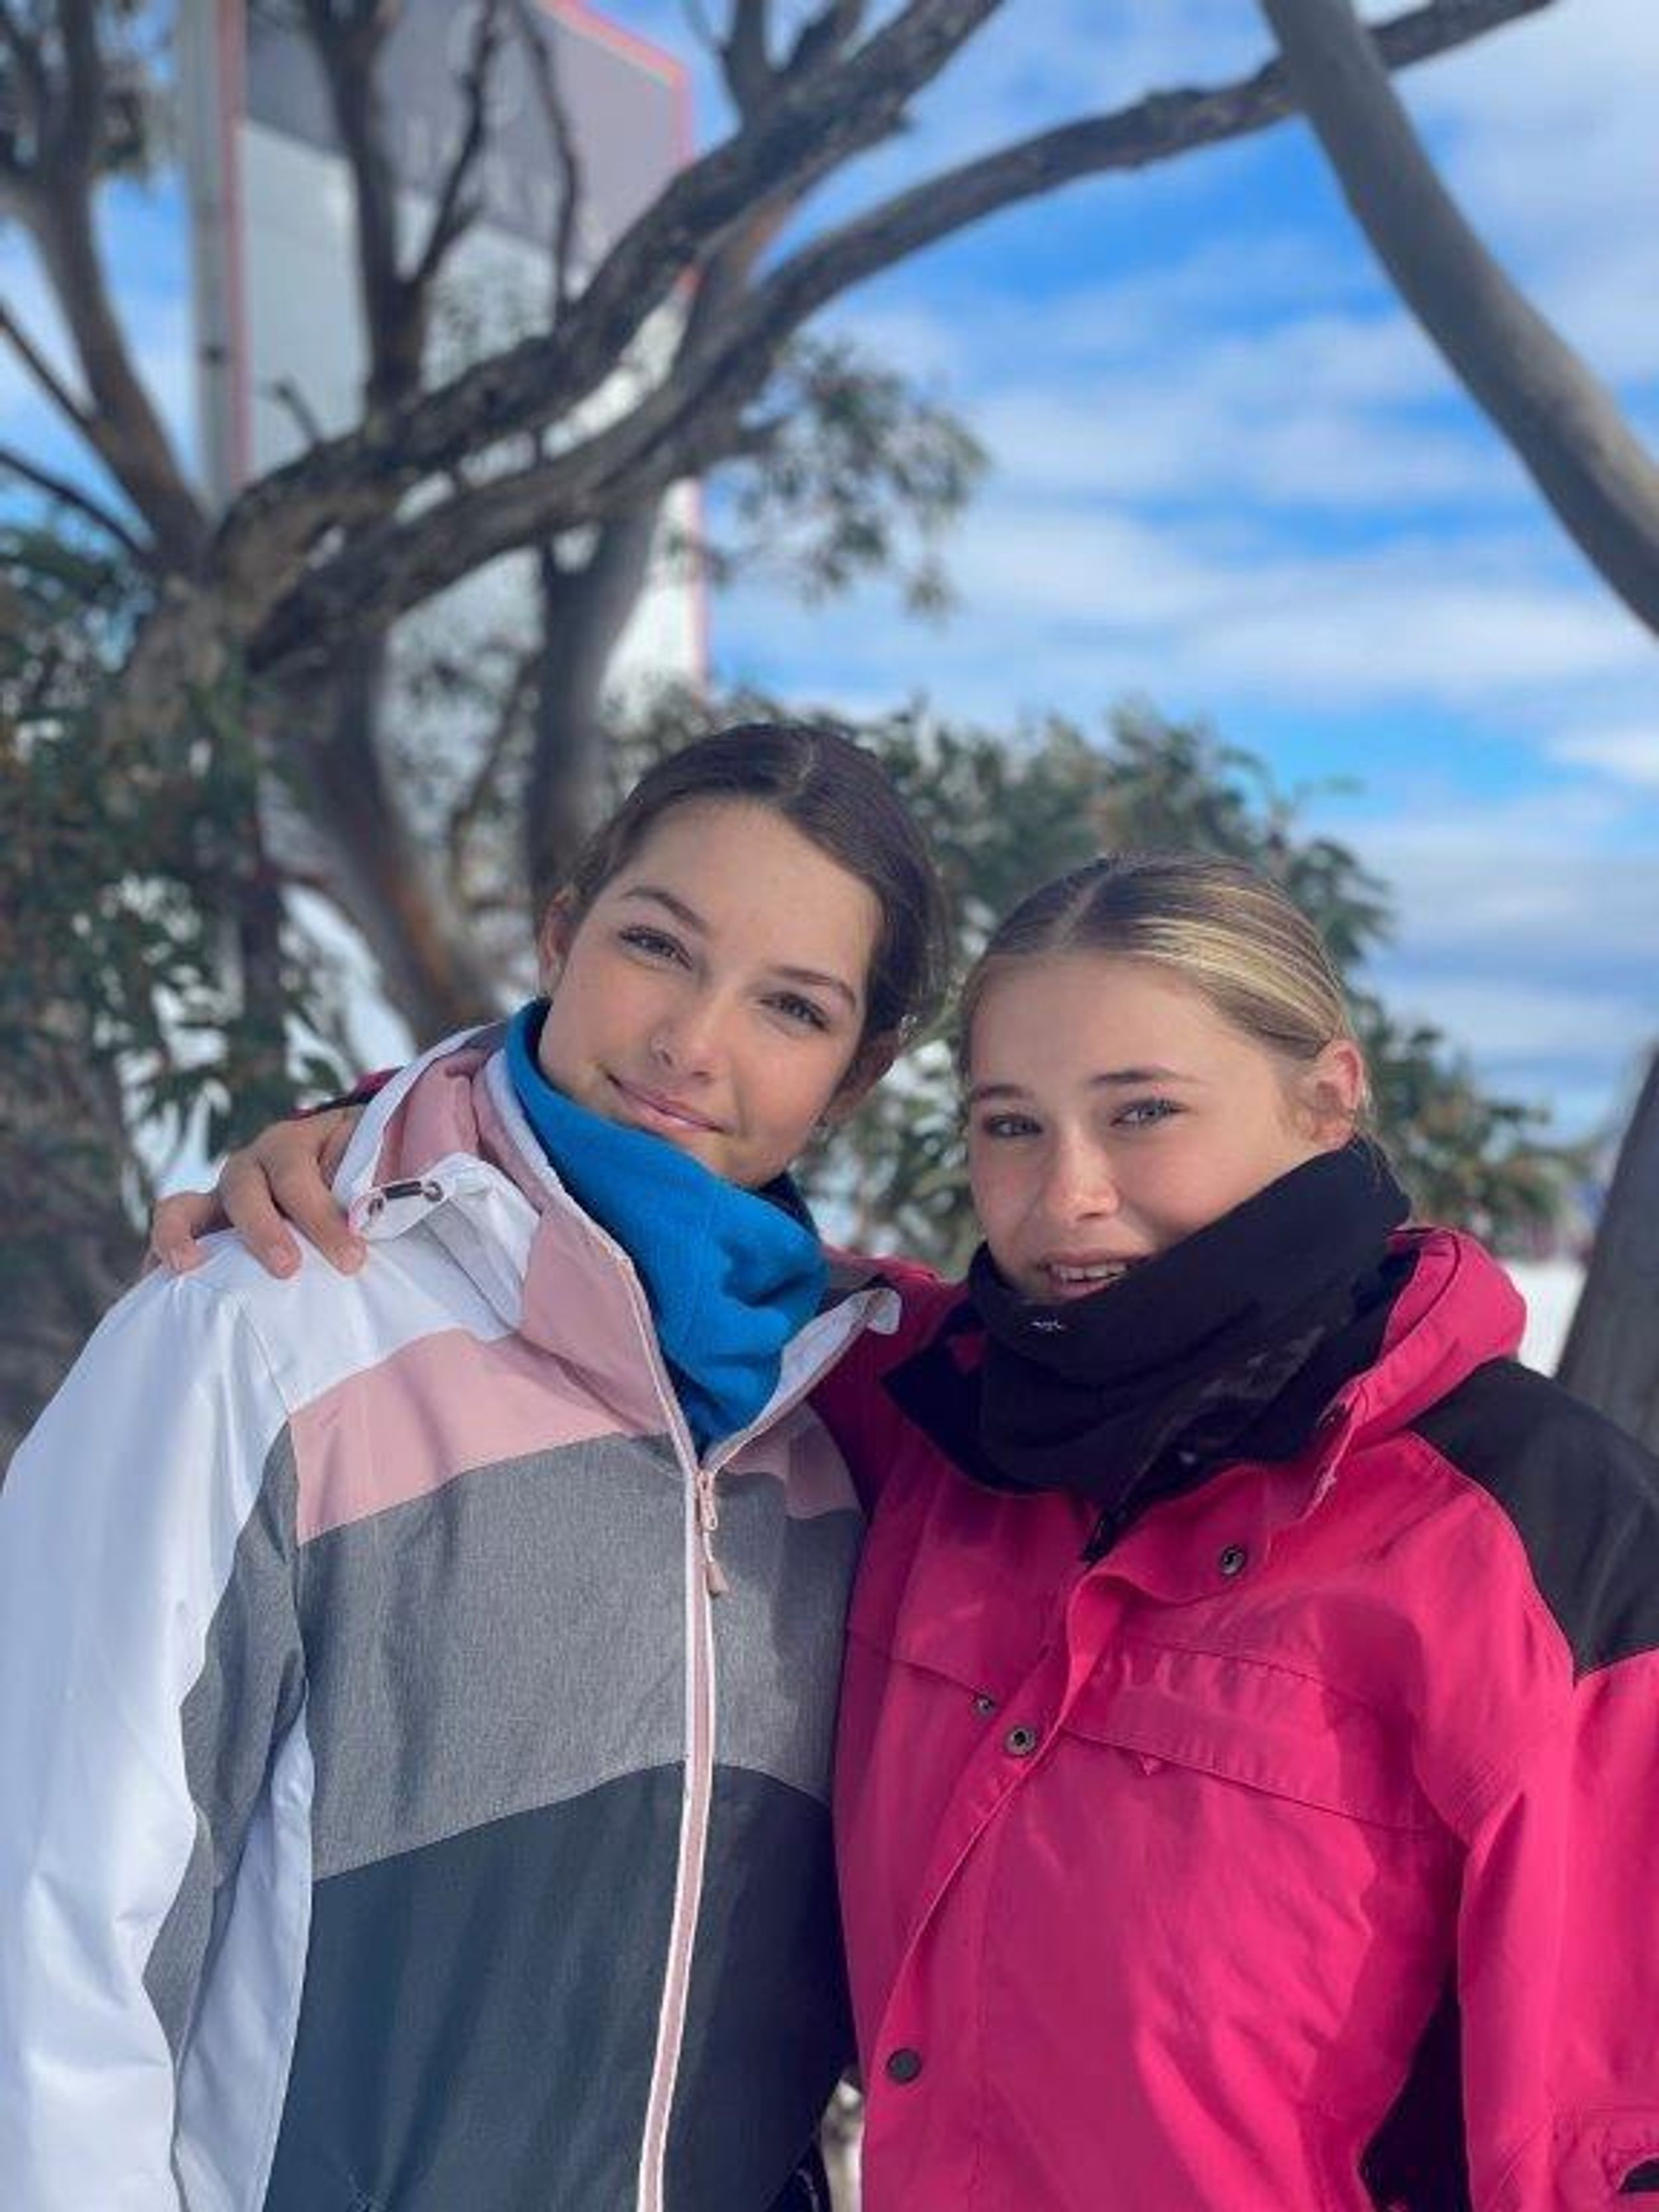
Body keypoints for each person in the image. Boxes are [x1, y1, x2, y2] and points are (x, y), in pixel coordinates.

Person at [168, 850, 1659, 2211]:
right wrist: (380, 1142)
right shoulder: (929, 1414)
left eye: (1142, 1111)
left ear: (1326, 1096)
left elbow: (1603, 2127)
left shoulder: (1536, 1533)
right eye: (1010, 1124)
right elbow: (638, 1253)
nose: (1068, 1193)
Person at [0, 723, 951, 2212]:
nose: (693, 1041)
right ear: (561, 932)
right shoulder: (265, 1323)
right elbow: (53, 1930)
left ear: (857, 1072)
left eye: (791, 1005)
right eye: (656, 943)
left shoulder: (844, 1432)